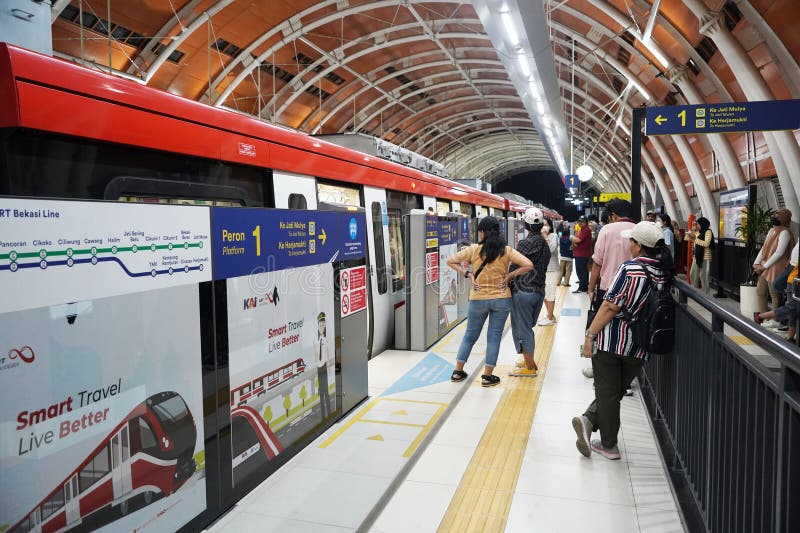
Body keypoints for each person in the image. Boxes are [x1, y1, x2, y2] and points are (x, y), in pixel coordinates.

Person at [572, 222, 673, 460]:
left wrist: (589, 336)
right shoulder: (664, 273)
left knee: (608, 393)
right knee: (614, 391)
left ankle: (608, 445)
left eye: (631, 241)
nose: (628, 244)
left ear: (638, 246)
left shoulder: (630, 269)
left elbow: (609, 306)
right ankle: (588, 421)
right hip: (640, 345)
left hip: (613, 340)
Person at [447, 216, 533, 387]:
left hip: (478, 299)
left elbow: (451, 261)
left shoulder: (473, 249)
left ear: (482, 232)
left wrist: (468, 274)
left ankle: (458, 371)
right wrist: (508, 276)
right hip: (501, 299)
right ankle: (487, 376)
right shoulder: (506, 250)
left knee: (470, 336)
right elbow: (528, 265)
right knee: (493, 338)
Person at [507, 207, 551, 377]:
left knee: (523, 328)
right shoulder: (544, 244)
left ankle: (530, 367)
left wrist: (507, 279)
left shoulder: (526, 243)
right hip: (538, 292)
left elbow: (515, 264)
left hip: (524, 292)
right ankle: (527, 360)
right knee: (526, 326)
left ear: (525, 223)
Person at [753, 209, 795, 317]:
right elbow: (764, 247)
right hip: (765, 266)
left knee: (774, 294)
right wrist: (757, 262)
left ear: (785, 219)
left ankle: (775, 319)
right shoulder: (772, 230)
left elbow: (779, 253)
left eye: (778, 216)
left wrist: (763, 266)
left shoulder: (785, 232)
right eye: (775, 215)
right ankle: (764, 317)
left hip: (777, 267)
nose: (775, 217)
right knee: (760, 291)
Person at [755, 241, 799, 342]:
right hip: (795, 279)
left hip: (793, 278)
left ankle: (790, 337)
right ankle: (760, 316)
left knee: (794, 308)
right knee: (793, 307)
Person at [538, 217, 560, 326]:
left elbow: (551, 250)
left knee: (550, 293)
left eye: (545, 224)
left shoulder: (553, 236)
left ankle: (550, 318)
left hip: (552, 269)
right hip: (542, 269)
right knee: (544, 294)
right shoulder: (538, 237)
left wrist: (546, 237)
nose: (543, 226)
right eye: (542, 224)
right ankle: (550, 314)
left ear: (550, 226)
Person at [686, 217, 713, 294]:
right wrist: (691, 231)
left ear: (702, 224)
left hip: (705, 256)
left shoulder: (708, 232)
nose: (696, 225)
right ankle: (695, 291)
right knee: (693, 273)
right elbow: (686, 239)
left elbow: (706, 243)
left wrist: (695, 239)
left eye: (697, 224)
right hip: (697, 256)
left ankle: (706, 294)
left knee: (703, 276)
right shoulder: (698, 232)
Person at [315, 312, 332, 419]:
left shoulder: (325, 339)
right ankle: (323, 415)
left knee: (325, 392)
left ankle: (329, 413)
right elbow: (316, 354)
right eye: (321, 325)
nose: (323, 327)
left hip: (324, 366)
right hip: (319, 367)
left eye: (324, 325)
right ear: (317, 326)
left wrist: (328, 364)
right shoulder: (315, 340)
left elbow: (326, 352)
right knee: (322, 393)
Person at [571, 216, 592, 293]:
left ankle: (582, 288)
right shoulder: (583, 230)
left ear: (586, 222)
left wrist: (571, 238)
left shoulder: (585, 230)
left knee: (581, 271)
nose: (580, 223)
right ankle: (584, 286)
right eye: (579, 221)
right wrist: (574, 241)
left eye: (582, 221)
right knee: (583, 271)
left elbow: (578, 240)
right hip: (582, 254)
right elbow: (576, 242)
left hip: (582, 254)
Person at [557, 222, 573, 286]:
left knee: (561, 271)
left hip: (562, 257)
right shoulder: (570, 240)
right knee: (568, 271)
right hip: (569, 257)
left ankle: (558, 282)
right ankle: (566, 283)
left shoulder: (561, 239)